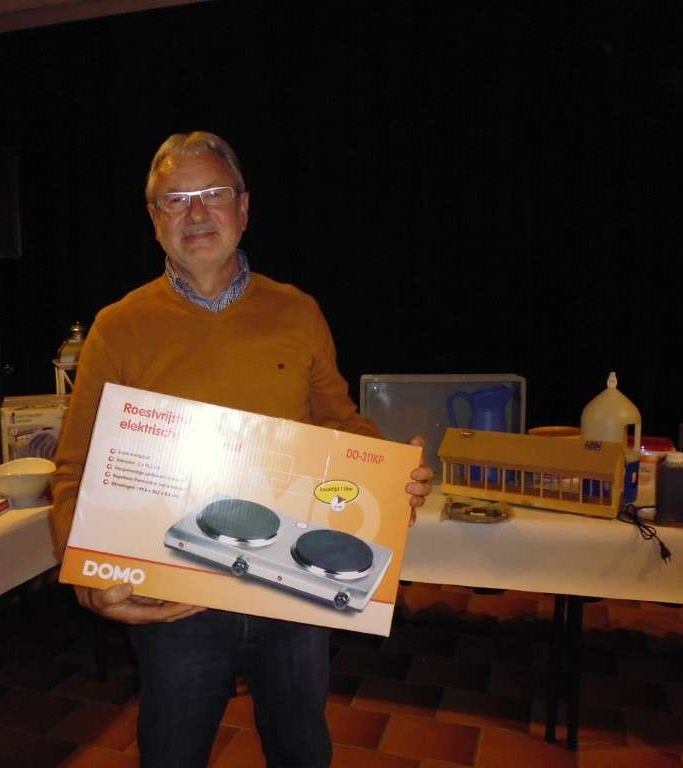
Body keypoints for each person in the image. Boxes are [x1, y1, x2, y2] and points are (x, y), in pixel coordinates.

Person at [51, 131, 433, 767]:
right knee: (171, 753)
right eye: (176, 199)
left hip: (293, 592)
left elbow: (339, 422)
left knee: (301, 749)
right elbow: (75, 467)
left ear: (244, 207)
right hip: (173, 593)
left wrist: (395, 476)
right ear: (154, 219)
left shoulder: (298, 312)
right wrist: (86, 572)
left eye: (213, 193)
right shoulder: (117, 328)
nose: (196, 213)